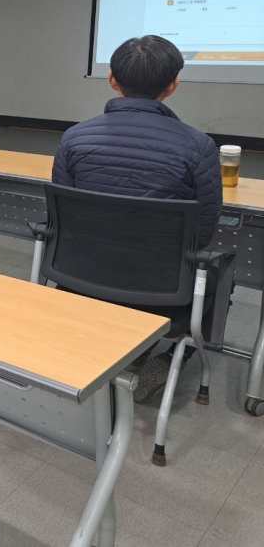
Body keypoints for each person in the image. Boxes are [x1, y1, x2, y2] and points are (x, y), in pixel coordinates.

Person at [52, 34, 223, 401]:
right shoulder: (198, 146)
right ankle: (176, 352)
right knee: (219, 271)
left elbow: (64, 217)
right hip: (163, 291)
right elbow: (204, 233)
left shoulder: (74, 139)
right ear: (173, 85)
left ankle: (126, 346)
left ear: (112, 79)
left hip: (80, 279)